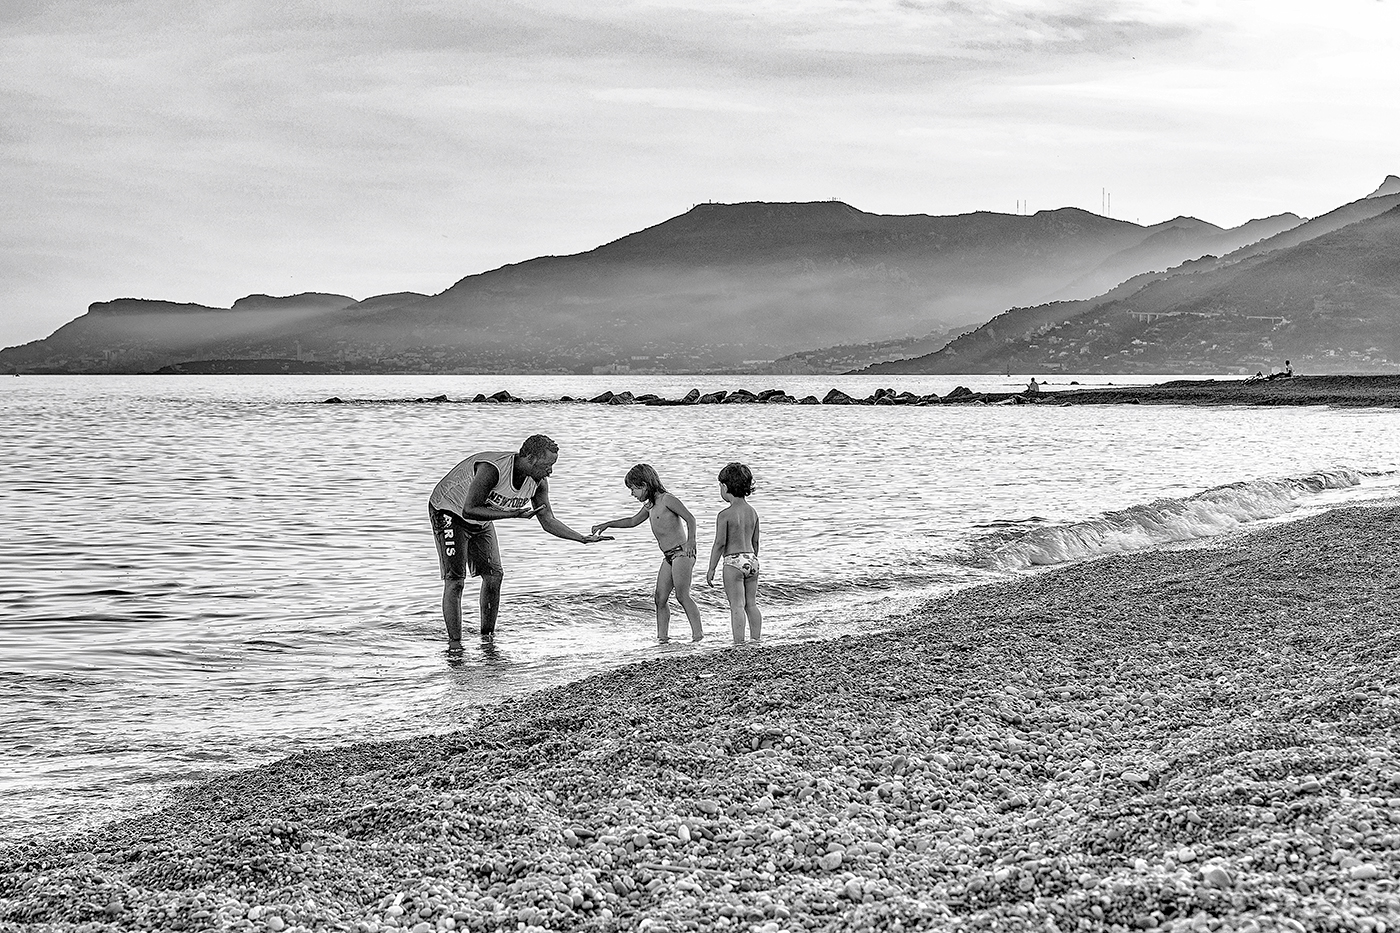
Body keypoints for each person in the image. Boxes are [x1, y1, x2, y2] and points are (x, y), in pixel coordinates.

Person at [429, 435, 608, 648]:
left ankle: (487, 640)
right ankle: (455, 645)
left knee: (494, 575)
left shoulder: (538, 482)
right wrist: (511, 514)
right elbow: (470, 508)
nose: (550, 471)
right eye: (547, 465)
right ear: (530, 458)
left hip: (482, 518)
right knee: (456, 581)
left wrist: (580, 538)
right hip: (449, 512)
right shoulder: (492, 469)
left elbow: (547, 519)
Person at [591, 464, 703, 643]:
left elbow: (690, 518)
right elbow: (632, 521)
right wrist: (607, 524)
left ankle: (698, 636)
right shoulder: (650, 506)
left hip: (682, 553)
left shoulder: (667, 499)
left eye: (633, 489)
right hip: (668, 556)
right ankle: (662, 638)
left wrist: (692, 541)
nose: (632, 494)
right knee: (660, 598)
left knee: (682, 596)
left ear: (644, 485)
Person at [705, 462, 762, 645]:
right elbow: (755, 541)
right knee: (751, 604)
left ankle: (739, 641)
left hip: (733, 561)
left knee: (737, 605)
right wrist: (753, 559)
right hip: (751, 560)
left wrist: (712, 567)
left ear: (725, 486)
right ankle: (756, 639)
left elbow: (720, 543)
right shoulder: (753, 512)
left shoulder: (725, 515)